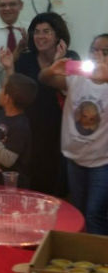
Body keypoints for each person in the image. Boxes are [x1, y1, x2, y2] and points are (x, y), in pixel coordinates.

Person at [1, 11, 79, 195]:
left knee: (55, 186)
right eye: (36, 32)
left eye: (46, 31)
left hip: (60, 129)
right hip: (29, 129)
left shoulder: (71, 58)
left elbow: (74, 90)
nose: (40, 36)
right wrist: (9, 68)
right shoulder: (26, 59)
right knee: (29, 185)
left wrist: (57, 62)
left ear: (58, 35)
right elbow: (14, 92)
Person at [39, 34, 108, 234]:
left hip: (102, 163)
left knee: (95, 214)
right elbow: (44, 79)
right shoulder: (77, 77)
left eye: (105, 51)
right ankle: (78, 250)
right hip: (74, 158)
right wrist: (52, 69)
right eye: (94, 50)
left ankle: (96, 253)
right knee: (78, 212)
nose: (98, 55)